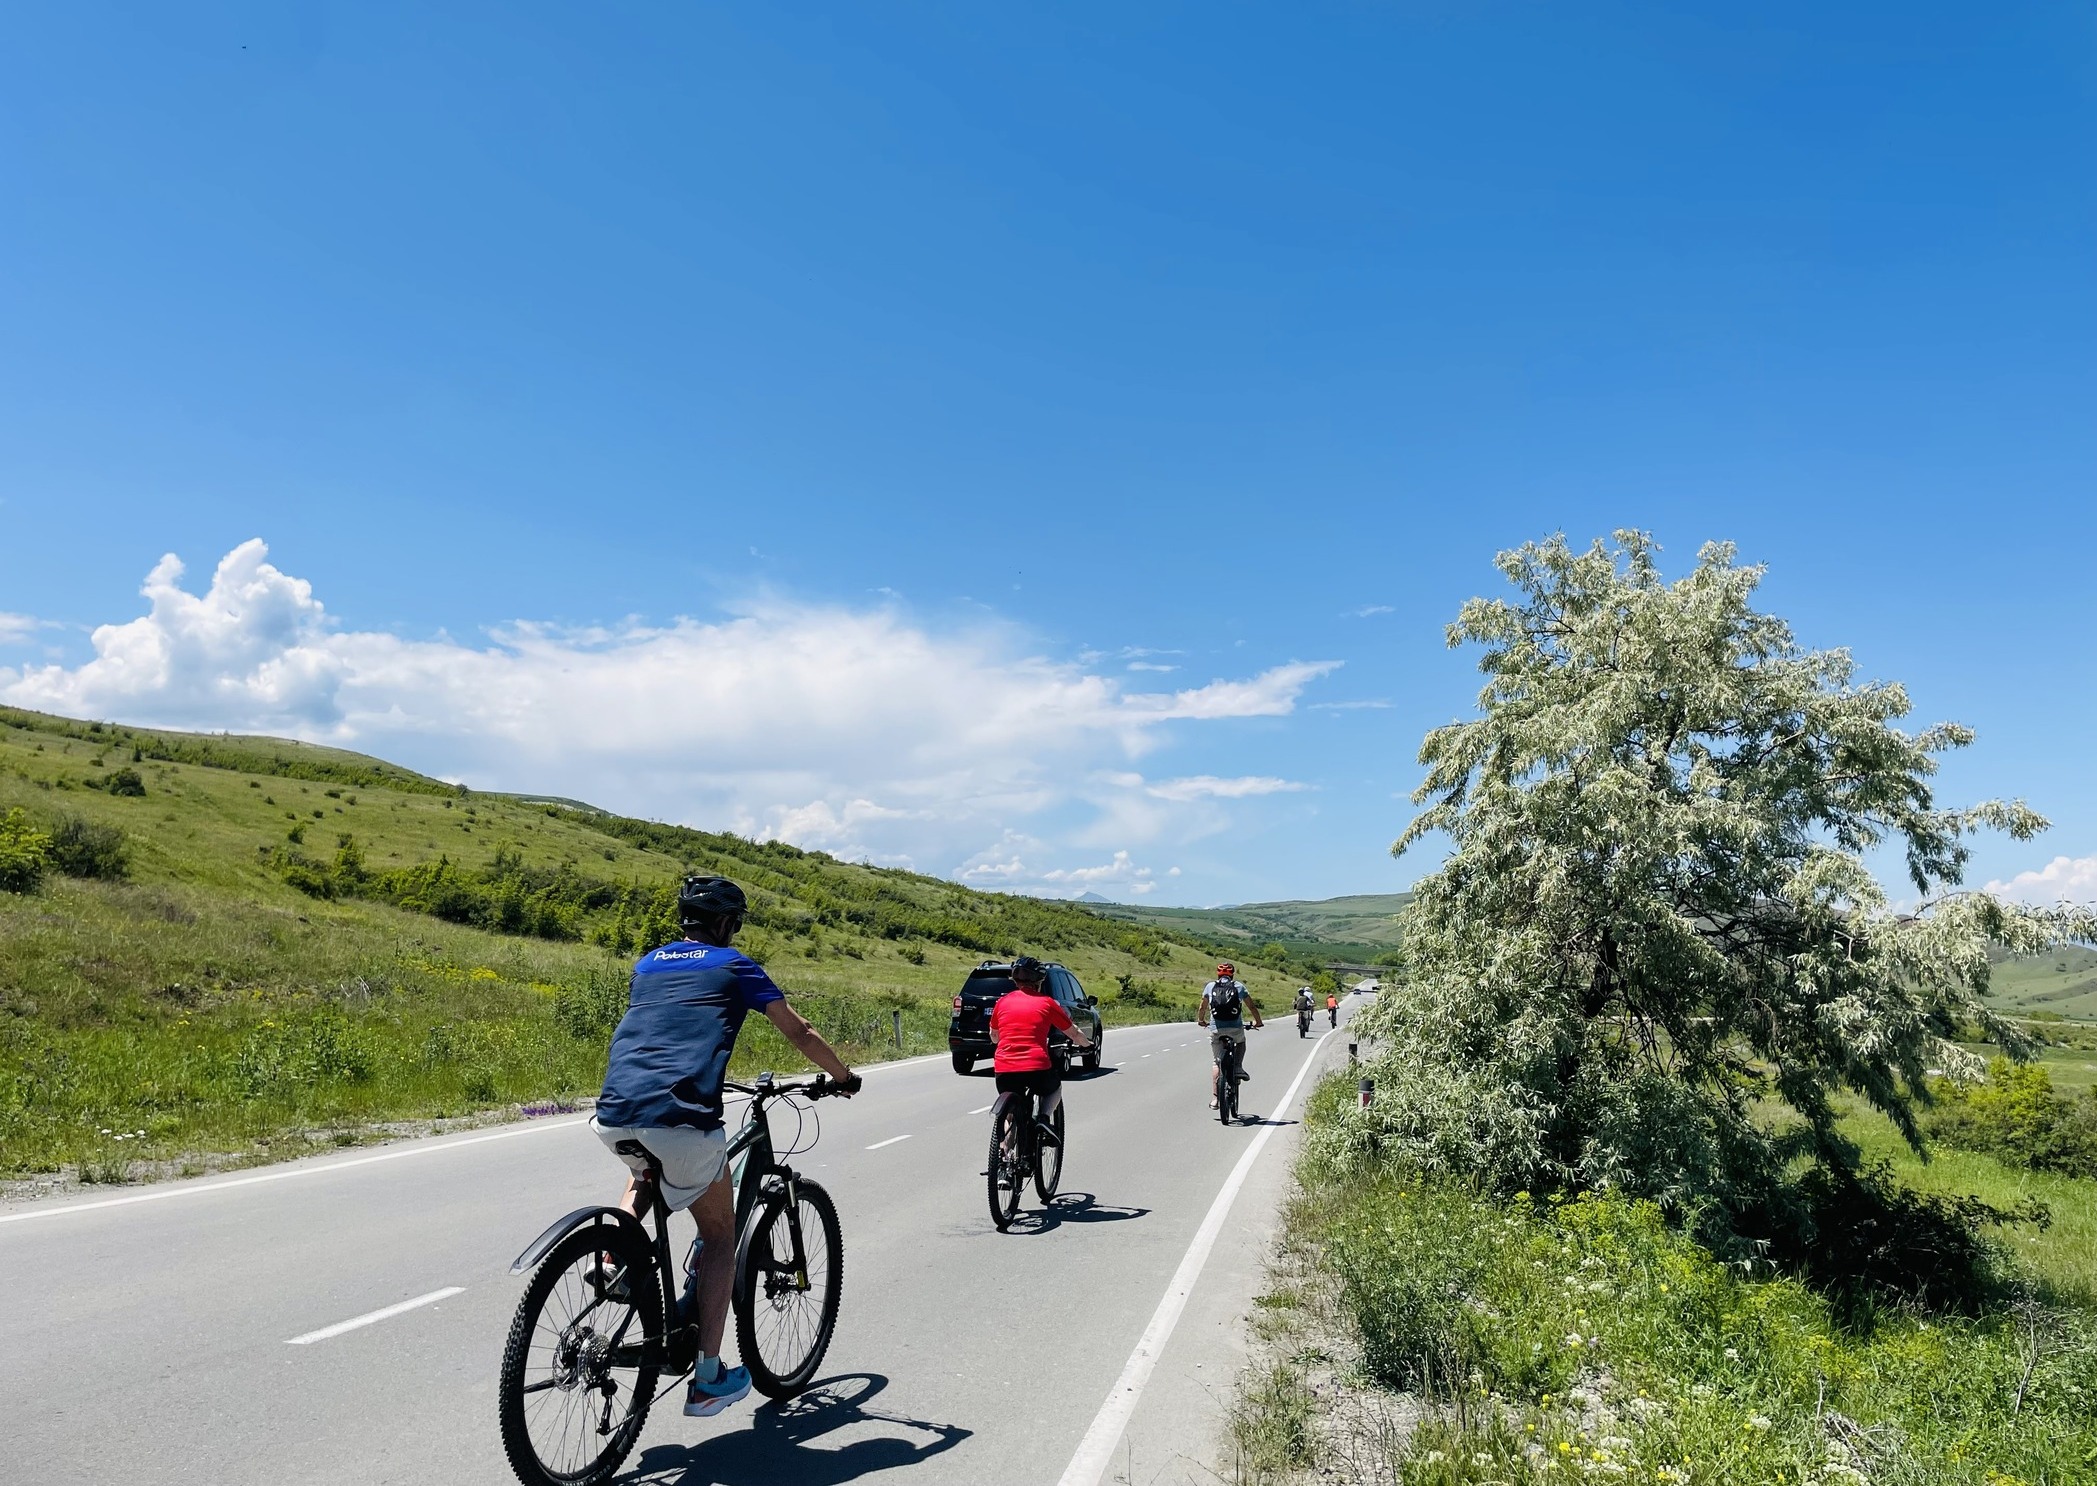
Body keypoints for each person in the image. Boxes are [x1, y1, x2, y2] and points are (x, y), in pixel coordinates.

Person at [591, 875, 861, 1419]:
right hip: (681, 1118)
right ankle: (708, 1378)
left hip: (613, 1111)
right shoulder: (735, 964)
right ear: (725, 923)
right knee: (719, 1237)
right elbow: (799, 1030)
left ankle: (612, 1253)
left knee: (647, 1170)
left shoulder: (647, 964)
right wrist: (843, 1075)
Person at [989, 955, 1093, 1169]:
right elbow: (1073, 1033)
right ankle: (1044, 1119)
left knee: (1011, 1114)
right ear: (1039, 981)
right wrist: (1087, 1045)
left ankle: (1003, 1158)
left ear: (1015, 981)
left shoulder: (1002, 1002)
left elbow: (994, 1035)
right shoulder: (1047, 1003)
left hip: (1004, 1068)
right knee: (1053, 1088)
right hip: (1036, 1066)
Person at [1197, 962, 1263, 1109]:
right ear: (1232, 974)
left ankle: (1215, 1099)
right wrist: (1258, 1022)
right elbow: (1251, 1006)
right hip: (1235, 1027)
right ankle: (1238, 1067)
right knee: (1241, 1042)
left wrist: (1201, 1020)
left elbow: (1202, 1007)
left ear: (1218, 974)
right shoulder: (1239, 986)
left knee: (1216, 1062)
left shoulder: (1210, 986)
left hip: (1216, 1029)